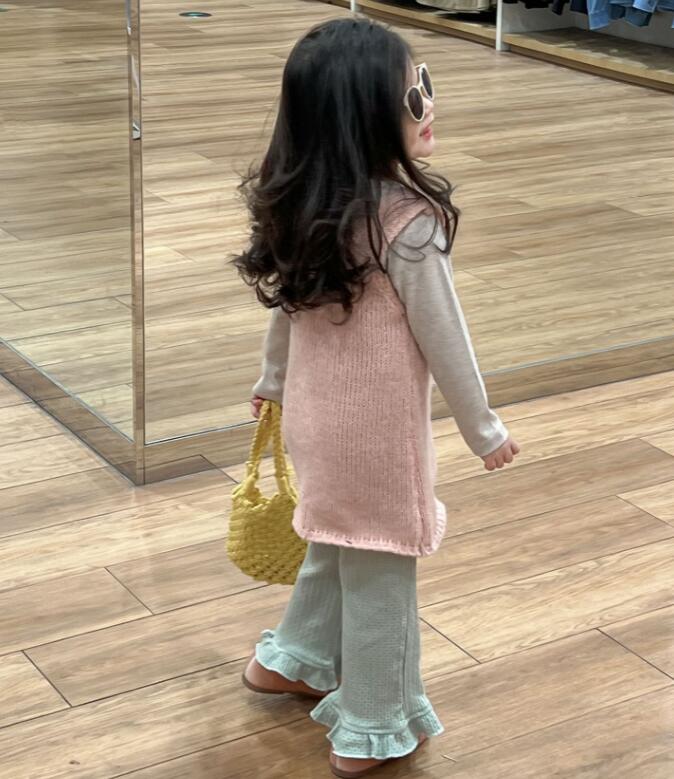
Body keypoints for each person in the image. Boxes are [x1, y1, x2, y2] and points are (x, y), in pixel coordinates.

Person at [232, 16, 520, 778]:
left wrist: (272, 384)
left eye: (426, 84)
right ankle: (371, 723)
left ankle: (292, 657)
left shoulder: (306, 208)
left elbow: (283, 313)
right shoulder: (408, 224)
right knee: (384, 568)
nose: (428, 103)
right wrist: (484, 429)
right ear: (365, 118)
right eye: (413, 93)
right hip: (379, 442)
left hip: (317, 428)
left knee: (336, 539)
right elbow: (446, 339)